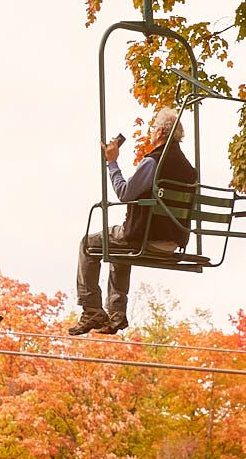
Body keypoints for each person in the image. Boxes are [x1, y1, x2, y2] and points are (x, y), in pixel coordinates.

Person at [68, 105, 196, 334]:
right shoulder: (188, 169)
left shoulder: (153, 161)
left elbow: (125, 193)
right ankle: (116, 315)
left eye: (154, 127)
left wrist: (112, 162)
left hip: (148, 237)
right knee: (119, 248)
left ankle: (91, 309)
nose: (151, 131)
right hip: (173, 241)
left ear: (161, 133)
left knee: (88, 243)